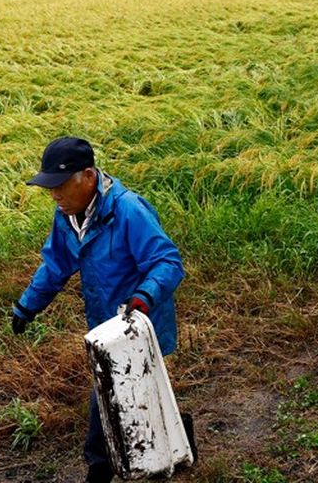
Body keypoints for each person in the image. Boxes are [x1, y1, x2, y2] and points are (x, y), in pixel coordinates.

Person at [10, 136, 186, 483]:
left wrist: (143, 299)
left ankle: (100, 468)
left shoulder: (128, 211)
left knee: (110, 392)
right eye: (50, 188)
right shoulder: (68, 216)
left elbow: (167, 261)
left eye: (61, 185)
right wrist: (28, 306)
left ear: (88, 176)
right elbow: (56, 265)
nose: (55, 195)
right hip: (105, 326)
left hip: (138, 323)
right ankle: (175, 444)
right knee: (135, 394)